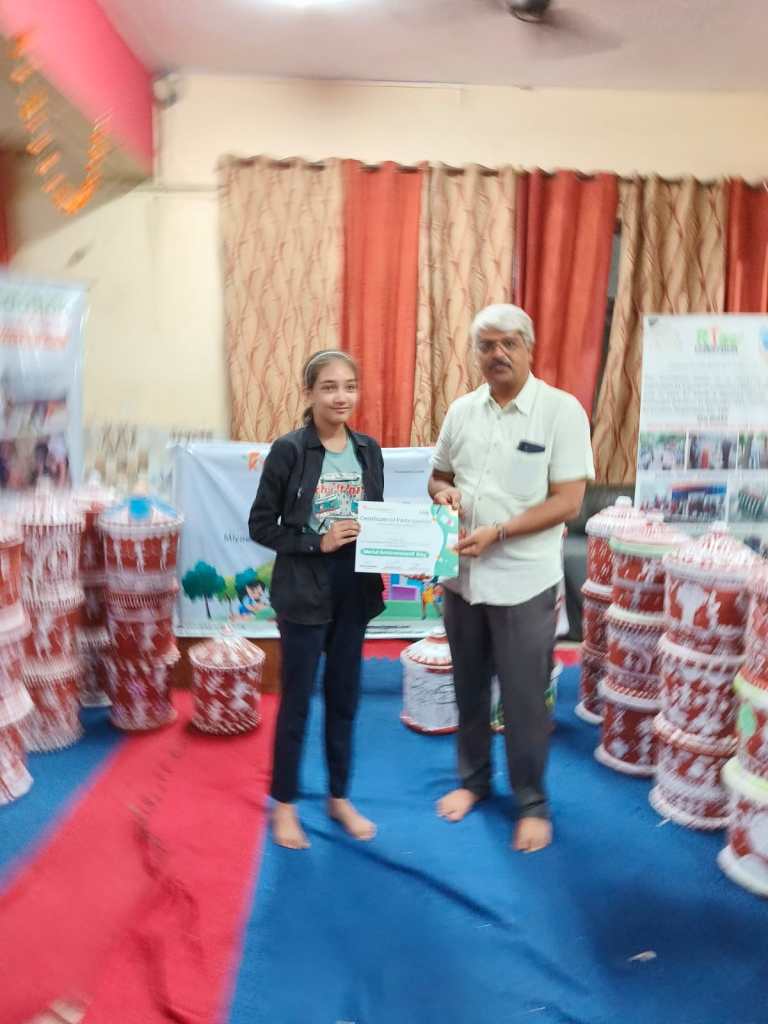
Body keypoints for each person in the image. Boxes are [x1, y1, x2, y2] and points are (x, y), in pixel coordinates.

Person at [428, 304, 594, 853]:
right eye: (487, 345)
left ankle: (532, 803)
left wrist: (499, 533)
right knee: (468, 689)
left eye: (508, 343)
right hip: (462, 580)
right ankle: (474, 782)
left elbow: (567, 502)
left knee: (524, 700)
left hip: (523, 583)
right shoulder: (461, 412)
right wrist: (444, 494)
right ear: (475, 353)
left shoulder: (560, 412)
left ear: (529, 348)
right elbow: (438, 476)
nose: (497, 353)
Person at [249, 350, 385, 850]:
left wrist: (405, 547)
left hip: (354, 589)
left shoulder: (369, 450)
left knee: (345, 698)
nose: (341, 396)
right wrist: (316, 541)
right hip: (304, 589)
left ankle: (338, 797)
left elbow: (376, 518)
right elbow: (260, 525)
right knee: (298, 701)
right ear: (309, 394)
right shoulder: (289, 450)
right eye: (329, 387)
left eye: (349, 386)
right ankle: (284, 804)